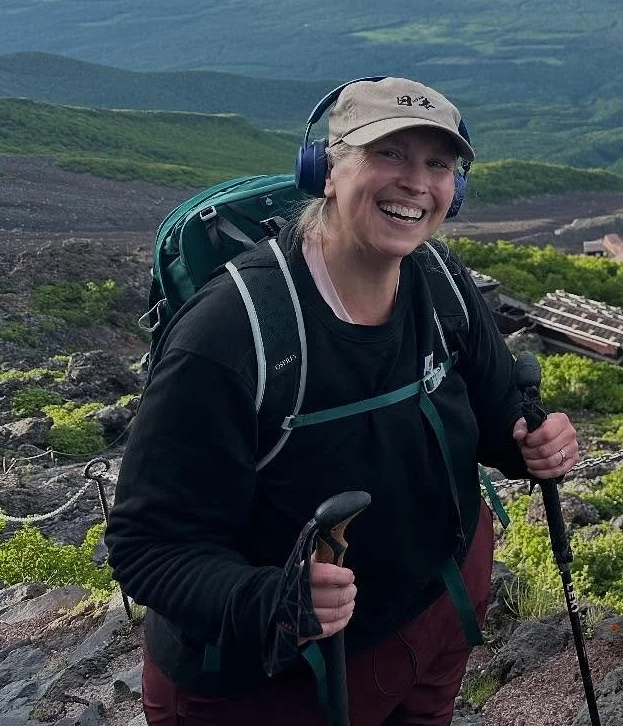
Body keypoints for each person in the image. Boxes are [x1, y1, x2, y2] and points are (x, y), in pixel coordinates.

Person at [107, 77, 580, 725]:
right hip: (279, 680)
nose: (416, 181)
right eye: (389, 154)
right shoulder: (233, 333)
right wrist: (270, 600)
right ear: (326, 170)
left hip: (436, 616)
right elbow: (146, 545)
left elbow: (501, 418)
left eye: (438, 164)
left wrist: (534, 443)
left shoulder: (440, 281)